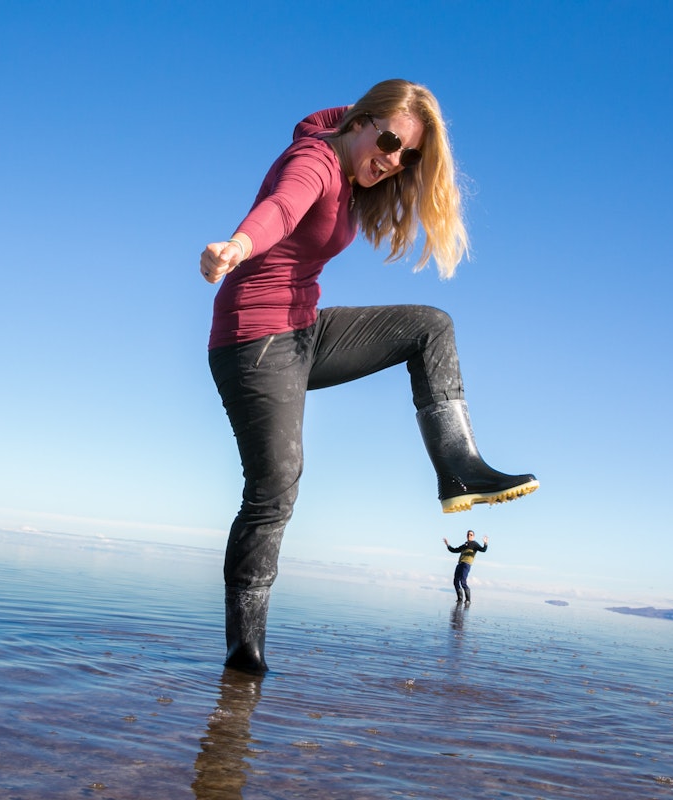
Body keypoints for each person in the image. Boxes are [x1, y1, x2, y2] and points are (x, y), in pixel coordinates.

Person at [201, 79, 538, 674]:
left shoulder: (356, 163)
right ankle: (244, 653)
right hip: (253, 340)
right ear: (362, 121)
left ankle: (458, 467)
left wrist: (401, 144)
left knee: (429, 326)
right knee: (276, 485)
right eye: (389, 141)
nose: (394, 160)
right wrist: (239, 244)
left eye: (407, 155)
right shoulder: (316, 159)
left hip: (305, 331)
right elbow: (283, 205)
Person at [445, 530, 488, 604]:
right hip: (460, 564)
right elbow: (454, 550)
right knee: (455, 581)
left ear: (473, 536)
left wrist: (485, 543)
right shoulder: (465, 545)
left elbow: (483, 550)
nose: (469, 536)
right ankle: (460, 599)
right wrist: (448, 545)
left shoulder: (475, 544)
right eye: (468, 534)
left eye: (471, 535)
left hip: (466, 564)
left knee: (463, 582)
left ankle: (468, 600)